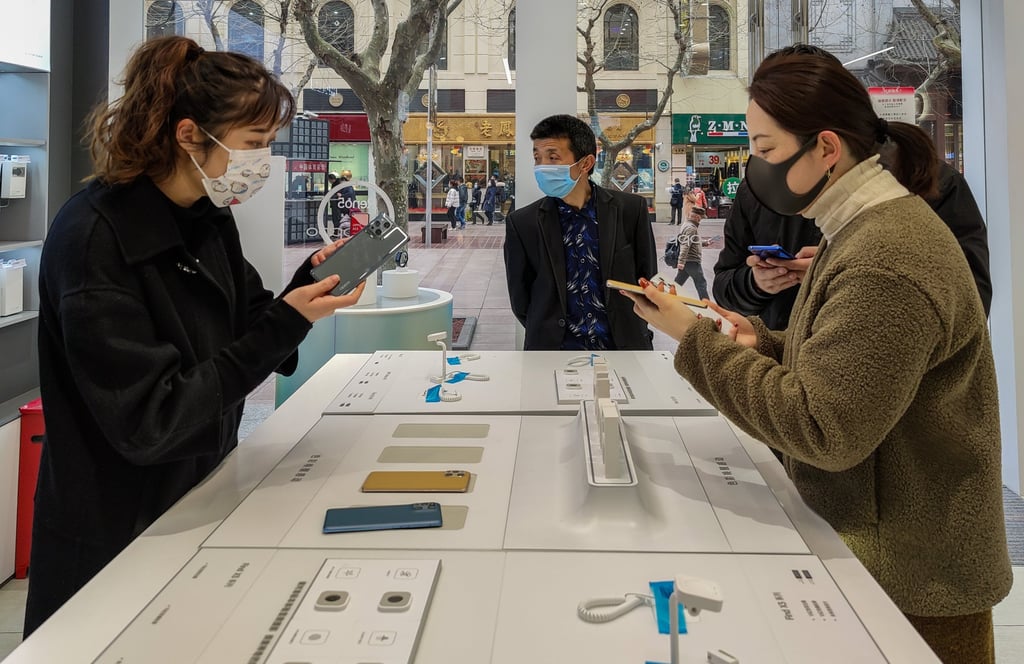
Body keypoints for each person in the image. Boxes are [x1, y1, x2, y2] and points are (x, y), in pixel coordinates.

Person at [620, 45, 1011, 663]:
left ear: (827, 147)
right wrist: (761, 342)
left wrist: (693, 340)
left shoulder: (886, 256)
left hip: (910, 576)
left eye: (768, 148)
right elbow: (847, 366)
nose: (756, 166)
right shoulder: (862, 227)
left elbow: (825, 427)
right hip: (885, 546)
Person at [24, 36, 368, 637]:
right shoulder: (94, 240)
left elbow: (250, 321)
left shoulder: (207, 216)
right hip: (115, 529)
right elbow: (150, 421)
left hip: (202, 492)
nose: (263, 161)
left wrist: (303, 291)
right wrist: (286, 321)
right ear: (189, 135)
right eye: (254, 145)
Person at [713, 164, 992, 331]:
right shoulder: (759, 188)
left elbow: (970, 302)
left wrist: (844, 272)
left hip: (901, 397)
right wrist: (756, 283)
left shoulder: (926, 182)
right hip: (790, 380)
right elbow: (724, 285)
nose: (764, 161)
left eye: (769, 144)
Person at [504, 114, 657, 350]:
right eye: (537, 158)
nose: (542, 166)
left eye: (553, 157)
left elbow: (646, 277)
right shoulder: (522, 223)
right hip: (553, 352)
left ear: (585, 163)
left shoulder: (630, 210)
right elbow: (521, 300)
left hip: (624, 348)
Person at [674, 205, 710, 300]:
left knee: (677, 283)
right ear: (697, 217)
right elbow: (685, 245)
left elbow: (692, 241)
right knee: (701, 283)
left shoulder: (687, 225)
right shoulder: (691, 228)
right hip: (692, 261)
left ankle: (667, 297)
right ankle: (707, 305)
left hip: (687, 261)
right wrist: (681, 262)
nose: (700, 220)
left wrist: (705, 243)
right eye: (701, 218)